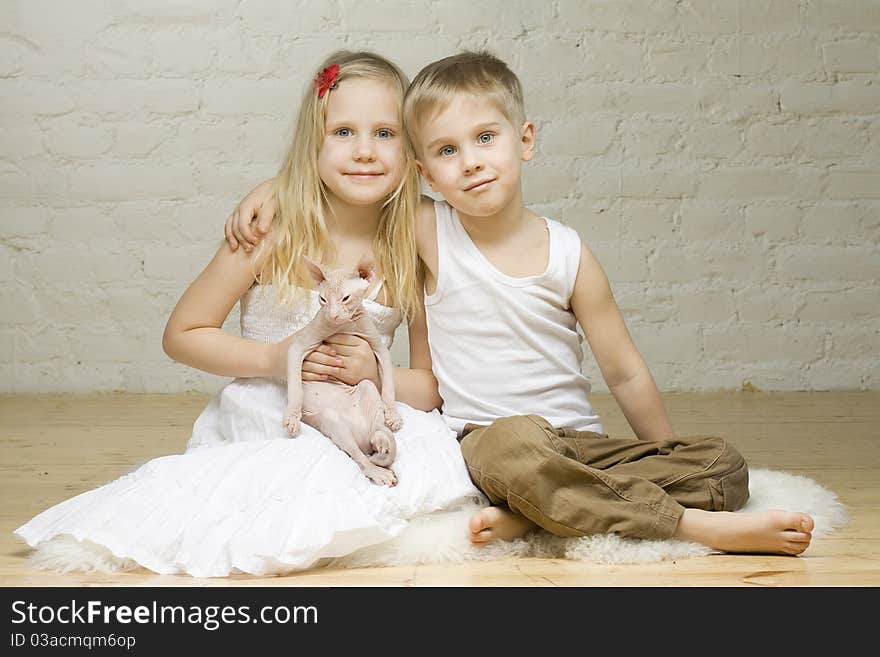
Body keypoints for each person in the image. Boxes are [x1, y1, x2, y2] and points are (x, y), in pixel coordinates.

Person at [225, 51, 815, 556]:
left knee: (723, 465)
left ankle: (538, 513)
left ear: (525, 139)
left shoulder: (570, 253)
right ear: (424, 171)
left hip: (578, 441)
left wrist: (659, 451)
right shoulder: (427, 228)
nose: (473, 160)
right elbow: (356, 179)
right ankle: (693, 527)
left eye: (486, 138)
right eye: (449, 151)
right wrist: (276, 188)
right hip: (489, 442)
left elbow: (625, 370)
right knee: (519, 450)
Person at [14, 51, 482, 577]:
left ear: (412, 148)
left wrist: (375, 372)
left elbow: (432, 387)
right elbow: (182, 333)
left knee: (422, 463)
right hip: (274, 409)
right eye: (343, 132)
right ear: (313, 143)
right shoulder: (272, 231)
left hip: (361, 405)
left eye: (386, 133)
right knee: (285, 482)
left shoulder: (411, 242)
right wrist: (277, 358)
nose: (365, 152)